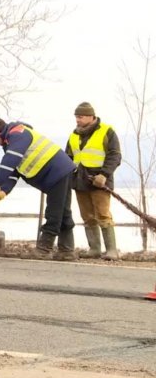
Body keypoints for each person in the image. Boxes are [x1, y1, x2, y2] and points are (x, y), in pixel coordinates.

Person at [0, 118, 77, 260]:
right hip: (60, 171)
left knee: (54, 212)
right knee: (63, 211)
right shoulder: (13, 141)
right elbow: (15, 171)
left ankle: (44, 249)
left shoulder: (18, 135)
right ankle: (67, 251)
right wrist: (3, 192)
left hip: (57, 172)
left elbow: (9, 162)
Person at [65, 102, 121, 261]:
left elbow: (115, 156)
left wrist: (104, 175)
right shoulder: (74, 135)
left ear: (91, 116)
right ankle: (94, 249)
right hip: (79, 180)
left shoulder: (107, 131)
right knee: (87, 216)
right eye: (76, 116)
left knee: (103, 215)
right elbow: (68, 157)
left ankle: (112, 250)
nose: (77, 119)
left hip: (100, 181)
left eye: (80, 116)